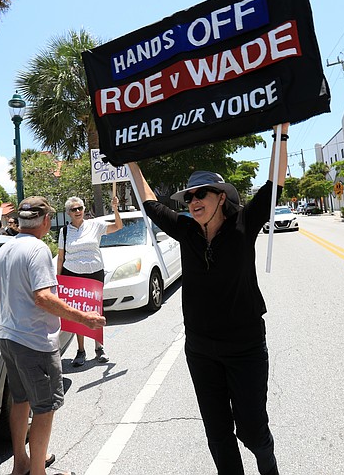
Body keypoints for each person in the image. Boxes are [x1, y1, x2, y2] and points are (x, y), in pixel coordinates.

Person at [126, 123, 289, 475]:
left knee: (252, 430)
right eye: (190, 197)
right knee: (217, 433)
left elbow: (274, 184)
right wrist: (132, 163)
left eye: (202, 194)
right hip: (200, 348)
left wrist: (282, 132)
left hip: (245, 346)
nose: (194, 201)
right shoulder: (186, 231)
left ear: (221, 198)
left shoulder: (245, 222)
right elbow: (151, 202)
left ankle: (268, 463)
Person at [0, 196, 105, 475]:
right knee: (45, 407)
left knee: (21, 401)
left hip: (8, 336)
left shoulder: (6, 248)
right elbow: (43, 298)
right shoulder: (38, 249)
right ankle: (38, 472)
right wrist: (84, 318)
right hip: (34, 341)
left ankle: (22, 464)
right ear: (45, 220)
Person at [56, 195, 122, 367]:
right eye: (73, 209)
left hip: (94, 273)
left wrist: (115, 209)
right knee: (79, 312)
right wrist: (58, 280)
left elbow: (118, 226)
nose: (77, 211)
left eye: (80, 208)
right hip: (73, 274)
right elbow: (61, 258)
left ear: (84, 209)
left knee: (96, 310)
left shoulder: (95, 225)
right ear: (68, 212)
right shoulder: (64, 232)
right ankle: (80, 350)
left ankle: (99, 347)